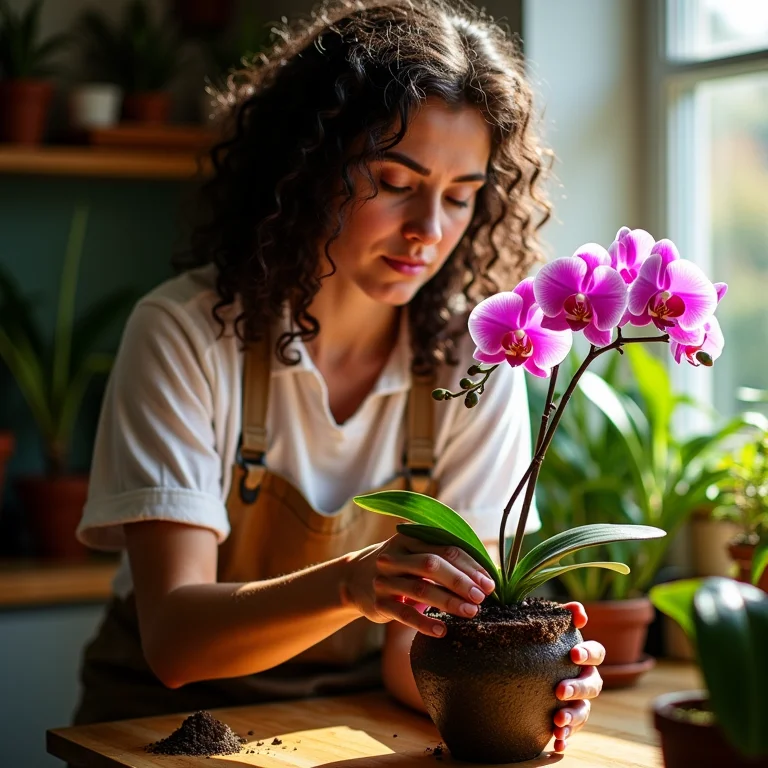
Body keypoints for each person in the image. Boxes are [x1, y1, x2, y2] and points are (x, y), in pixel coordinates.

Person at [74, 0, 604, 753]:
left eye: (460, 196)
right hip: (152, 729)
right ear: (307, 167)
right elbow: (177, 642)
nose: (429, 230)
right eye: (395, 180)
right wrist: (352, 583)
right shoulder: (189, 334)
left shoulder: (473, 358)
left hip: (342, 725)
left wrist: (531, 689)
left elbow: (408, 658)